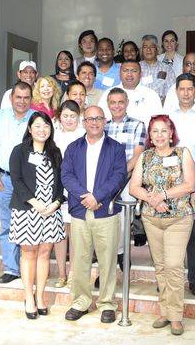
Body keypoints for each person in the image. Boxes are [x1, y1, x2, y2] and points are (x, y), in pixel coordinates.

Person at [129, 115, 195, 336]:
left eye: (163, 131)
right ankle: (165, 311)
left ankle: (176, 316)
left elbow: (190, 184)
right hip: (151, 218)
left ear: (171, 133)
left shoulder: (182, 153)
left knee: (174, 266)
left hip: (179, 218)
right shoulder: (146, 156)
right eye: (154, 131)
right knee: (160, 267)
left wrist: (163, 195)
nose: (159, 135)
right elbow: (134, 187)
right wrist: (152, 199)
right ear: (150, 135)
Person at [61, 106, 127, 324]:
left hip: (104, 210)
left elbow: (119, 176)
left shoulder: (115, 148)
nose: (94, 122)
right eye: (90, 119)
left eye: (99, 118)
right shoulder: (73, 148)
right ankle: (80, 302)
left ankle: (107, 304)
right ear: (84, 122)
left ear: (105, 121)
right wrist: (84, 196)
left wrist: (97, 196)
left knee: (108, 260)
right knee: (79, 260)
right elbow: (66, 176)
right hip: (80, 212)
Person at [8, 111, 66, 318]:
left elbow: (61, 183)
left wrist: (56, 203)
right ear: (30, 129)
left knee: (44, 253)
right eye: (38, 126)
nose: (43, 130)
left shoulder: (55, 152)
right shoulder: (20, 151)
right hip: (27, 210)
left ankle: (40, 296)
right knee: (29, 252)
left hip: (50, 211)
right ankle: (29, 297)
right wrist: (34, 203)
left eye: (46, 126)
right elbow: (16, 180)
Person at [0, 81, 34, 284]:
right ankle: (11, 269)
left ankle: (29, 267)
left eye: (26, 97)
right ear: (11, 97)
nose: (22, 101)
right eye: (18, 97)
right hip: (4, 179)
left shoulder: (36, 119)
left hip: (30, 181)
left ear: (31, 99)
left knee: (29, 224)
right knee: (7, 225)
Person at [165, 73, 195, 296]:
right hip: (170, 178)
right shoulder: (168, 116)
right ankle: (167, 278)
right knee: (170, 228)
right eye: (181, 89)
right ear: (176, 91)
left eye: (189, 89)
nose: (185, 93)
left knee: (193, 232)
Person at [103, 87, 147, 284]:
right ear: (108, 104)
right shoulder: (103, 127)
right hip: (106, 185)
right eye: (113, 102)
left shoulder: (138, 125)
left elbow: (137, 156)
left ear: (127, 102)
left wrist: (118, 179)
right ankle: (111, 266)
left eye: (121, 102)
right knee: (108, 227)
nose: (117, 106)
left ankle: (120, 258)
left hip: (128, 183)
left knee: (122, 226)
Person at [52, 100, 86, 288]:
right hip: (57, 190)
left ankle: (73, 272)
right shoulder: (54, 136)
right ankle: (61, 274)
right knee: (60, 233)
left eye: (72, 116)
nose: (69, 119)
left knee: (75, 233)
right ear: (59, 117)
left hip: (77, 189)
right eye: (65, 116)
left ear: (79, 117)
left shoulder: (84, 135)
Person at [99, 60, 163, 126]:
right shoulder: (108, 93)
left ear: (140, 74)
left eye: (134, 71)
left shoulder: (151, 95)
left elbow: (158, 121)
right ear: (119, 74)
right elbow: (100, 119)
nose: (129, 74)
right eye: (125, 71)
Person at [139, 34, 174, 102]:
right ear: (141, 50)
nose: (148, 49)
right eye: (145, 47)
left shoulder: (167, 69)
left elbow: (171, 92)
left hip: (161, 108)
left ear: (157, 49)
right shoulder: (136, 68)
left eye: (152, 46)